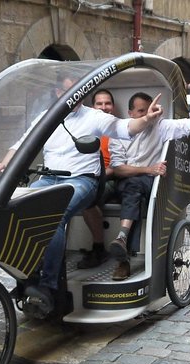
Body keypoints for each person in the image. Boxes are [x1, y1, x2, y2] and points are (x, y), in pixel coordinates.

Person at [0, 74, 164, 318]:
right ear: (57, 94)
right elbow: (21, 144)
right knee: (15, 209)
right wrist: (4, 163)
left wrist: (146, 119)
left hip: (82, 180)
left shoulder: (94, 117)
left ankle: (48, 287)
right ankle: (26, 275)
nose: (75, 96)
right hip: (49, 178)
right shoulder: (47, 118)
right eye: (69, 90)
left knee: (54, 215)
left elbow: (124, 127)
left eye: (79, 91)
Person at [108, 85, 190, 280]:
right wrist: (148, 169)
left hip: (151, 183)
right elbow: (118, 169)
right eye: (142, 111)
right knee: (131, 187)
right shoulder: (120, 131)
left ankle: (122, 242)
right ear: (131, 113)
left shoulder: (162, 126)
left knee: (136, 186)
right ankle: (120, 246)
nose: (149, 114)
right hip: (129, 181)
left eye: (152, 109)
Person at [77, 89, 123, 269]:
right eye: (99, 104)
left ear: (113, 106)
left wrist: (98, 175)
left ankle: (98, 248)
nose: (104, 107)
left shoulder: (118, 128)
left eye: (107, 103)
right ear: (92, 106)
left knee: (88, 198)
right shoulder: (86, 127)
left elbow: (118, 165)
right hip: (84, 174)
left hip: (109, 177)